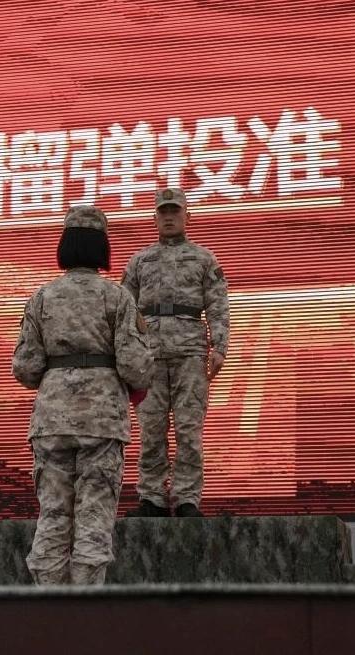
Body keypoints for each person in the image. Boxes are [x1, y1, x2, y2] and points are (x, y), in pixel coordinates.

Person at [13, 204, 153, 585]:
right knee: (94, 520)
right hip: (101, 422)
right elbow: (136, 367)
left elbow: (25, 367)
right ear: (101, 247)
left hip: (51, 422)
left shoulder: (41, 298)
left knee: (52, 517)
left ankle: (49, 607)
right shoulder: (117, 298)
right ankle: (85, 609)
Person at [122, 188, 229, 518]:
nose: (169, 217)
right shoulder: (140, 261)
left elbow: (217, 304)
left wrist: (219, 346)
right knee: (151, 429)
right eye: (163, 212)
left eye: (175, 211)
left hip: (190, 353)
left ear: (187, 216)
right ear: (155, 218)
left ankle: (186, 499)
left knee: (188, 429)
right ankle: (152, 497)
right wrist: (125, 353)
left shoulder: (203, 259)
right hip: (149, 356)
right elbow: (124, 311)